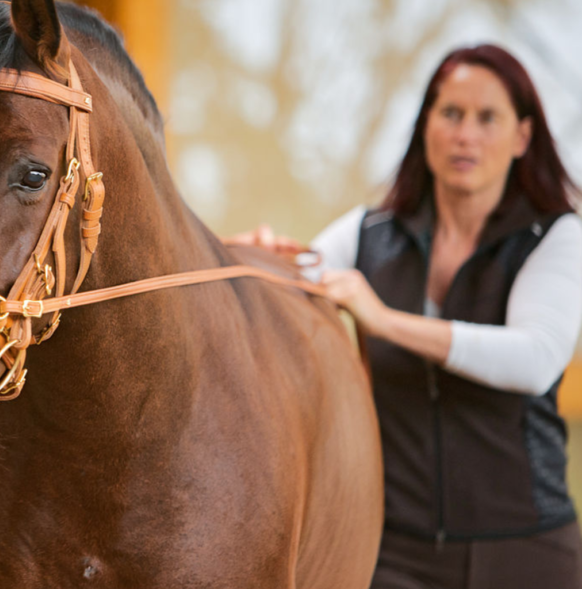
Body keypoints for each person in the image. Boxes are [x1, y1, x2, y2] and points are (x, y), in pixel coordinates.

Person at [238, 44, 582, 587]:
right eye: (450, 114)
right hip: (392, 555)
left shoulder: (557, 236)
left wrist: (384, 320)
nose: (465, 133)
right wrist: (241, 253)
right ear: (427, 127)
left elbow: (535, 358)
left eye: (487, 117)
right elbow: (287, 288)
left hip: (526, 552)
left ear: (522, 137)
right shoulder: (367, 232)